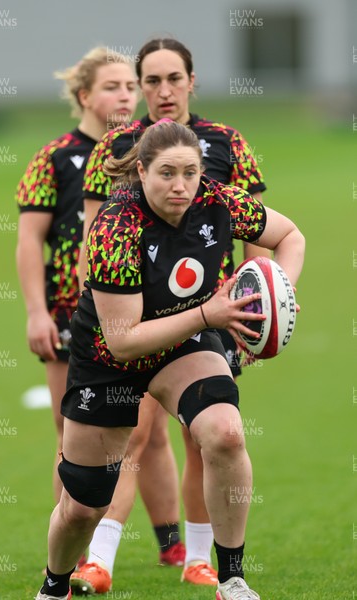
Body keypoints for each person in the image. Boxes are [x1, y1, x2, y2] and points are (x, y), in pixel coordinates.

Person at [34, 119, 305, 600]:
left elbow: (290, 237)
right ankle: (55, 586)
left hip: (184, 340)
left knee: (224, 433)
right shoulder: (115, 225)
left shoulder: (218, 200)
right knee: (83, 506)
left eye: (190, 172)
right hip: (109, 356)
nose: (180, 186)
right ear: (140, 171)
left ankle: (231, 578)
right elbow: (123, 341)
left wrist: (277, 292)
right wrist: (209, 312)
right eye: (166, 173)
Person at [74, 37, 270, 593]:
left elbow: (260, 237)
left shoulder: (229, 143)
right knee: (132, 436)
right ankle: (100, 558)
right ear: (140, 87)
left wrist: (258, 309)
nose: (162, 91)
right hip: (132, 313)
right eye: (150, 81)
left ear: (191, 81)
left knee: (210, 436)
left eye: (173, 79)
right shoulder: (117, 147)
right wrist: (92, 310)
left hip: (215, 314)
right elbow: (94, 235)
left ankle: (201, 560)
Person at [16, 48, 137, 506]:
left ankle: (167, 543)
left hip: (135, 312)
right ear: (84, 95)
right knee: (71, 436)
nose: (125, 96)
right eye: (111, 87)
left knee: (138, 436)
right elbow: (29, 241)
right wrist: (36, 314)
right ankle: (69, 550)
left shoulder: (147, 152)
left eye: (130, 86)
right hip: (70, 311)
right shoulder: (55, 157)